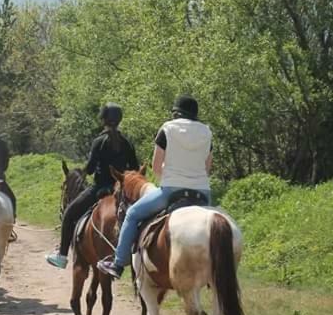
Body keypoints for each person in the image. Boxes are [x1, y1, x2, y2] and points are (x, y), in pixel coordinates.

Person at [97, 95, 212, 279]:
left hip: (171, 190)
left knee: (133, 214)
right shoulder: (207, 132)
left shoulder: (167, 129)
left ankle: (118, 264)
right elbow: (206, 168)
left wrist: (169, 174)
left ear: (176, 113)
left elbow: (157, 167)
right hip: (203, 193)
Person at [46, 103, 139, 269]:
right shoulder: (127, 143)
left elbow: (89, 169)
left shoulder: (99, 141)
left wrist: (83, 171)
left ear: (103, 119)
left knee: (68, 214)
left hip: (99, 189)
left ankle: (62, 255)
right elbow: (135, 170)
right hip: (120, 192)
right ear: (119, 120)